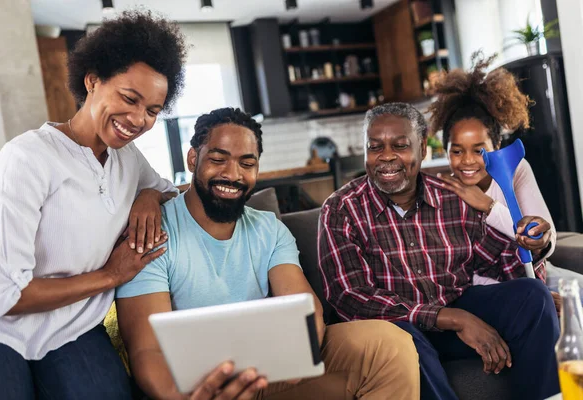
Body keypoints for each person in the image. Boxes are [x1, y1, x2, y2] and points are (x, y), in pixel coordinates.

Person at [116, 107, 420, 400]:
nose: (232, 174)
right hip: (198, 384)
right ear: (193, 158)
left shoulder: (268, 229)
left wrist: (301, 353)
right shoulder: (153, 231)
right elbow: (146, 349)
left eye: (246, 164)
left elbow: (304, 307)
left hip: (269, 372)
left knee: (391, 345)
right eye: (219, 159)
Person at [0, 11, 186, 399]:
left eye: (153, 111)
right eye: (129, 98)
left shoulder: (128, 159)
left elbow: (171, 189)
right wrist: (111, 275)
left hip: (72, 328)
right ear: (92, 80)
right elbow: (3, 296)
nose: (138, 119)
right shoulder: (27, 158)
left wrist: (149, 195)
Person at [318, 102, 560, 400]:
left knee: (533, 298)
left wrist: (532, 245)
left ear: (422, 147)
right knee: (404, 341)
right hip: (397, 327)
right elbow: (350, 297)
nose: (387, 156)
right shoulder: (341, 209)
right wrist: (453, 318)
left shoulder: (451, 196)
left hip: (454, 308)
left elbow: (500, 262)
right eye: (375, 146)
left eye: (400, 145)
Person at [427, 53, 556, 287]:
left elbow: (547, 240)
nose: (467, 161)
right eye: (456, 151)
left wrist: (488, 206)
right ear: (446, 151)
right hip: (497, 291)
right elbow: (462, 275)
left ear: (496, 146)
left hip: (536, 273)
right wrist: (529, 297)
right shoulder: (444, 193)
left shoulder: (516, 170)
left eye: (479, 151)